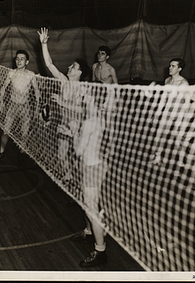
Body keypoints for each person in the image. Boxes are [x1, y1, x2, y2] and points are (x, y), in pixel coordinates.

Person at [61, 86, 108, 267]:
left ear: (92, 99)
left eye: (86, 95)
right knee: (85, 202)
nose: (82, 96)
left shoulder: (90, 121)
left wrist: (72, 132)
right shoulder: (96, 118)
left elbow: (79, 150)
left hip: (91, 167)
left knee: (91, 209)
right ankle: (89, 232)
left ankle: (100, 251)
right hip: (95, 164)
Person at [37, 27, 90, 182]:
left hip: (76, 126)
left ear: (79, 72)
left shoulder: (83, 89)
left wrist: (62, 102)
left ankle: (82, 183)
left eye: (73, 66)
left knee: (78, 157)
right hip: (63, 123)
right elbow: (49, 64)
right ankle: (68, 179)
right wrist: (44, 44)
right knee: (61, 155)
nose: (69, 67)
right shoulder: (63, 81)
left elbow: (82, 110)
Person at [0, 50, 40, 164]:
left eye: (22, 59)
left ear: (27, 62)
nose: (19, 61)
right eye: (17, 59)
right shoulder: (11, 73)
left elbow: (36, 91)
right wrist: (1, 102)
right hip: (13, 105)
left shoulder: (31, 75)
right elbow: (3, 87)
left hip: (25, 107)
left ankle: (21, 153)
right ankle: (1, 153)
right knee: (6, 131)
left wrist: (37, 107)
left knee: (24, 133)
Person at [147, 58, 192, 166]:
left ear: (179, 69)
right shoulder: (167, 80)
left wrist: (182, 121)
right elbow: (163, 99)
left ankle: (181, 163)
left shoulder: (183, 83)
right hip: (167, 113)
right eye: (170, 65)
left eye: (173, 66)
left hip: (179, 114)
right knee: (158, 135)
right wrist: (157, 114)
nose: (170, 68)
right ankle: (157, 157)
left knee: (177, 140)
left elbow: (186, 104)